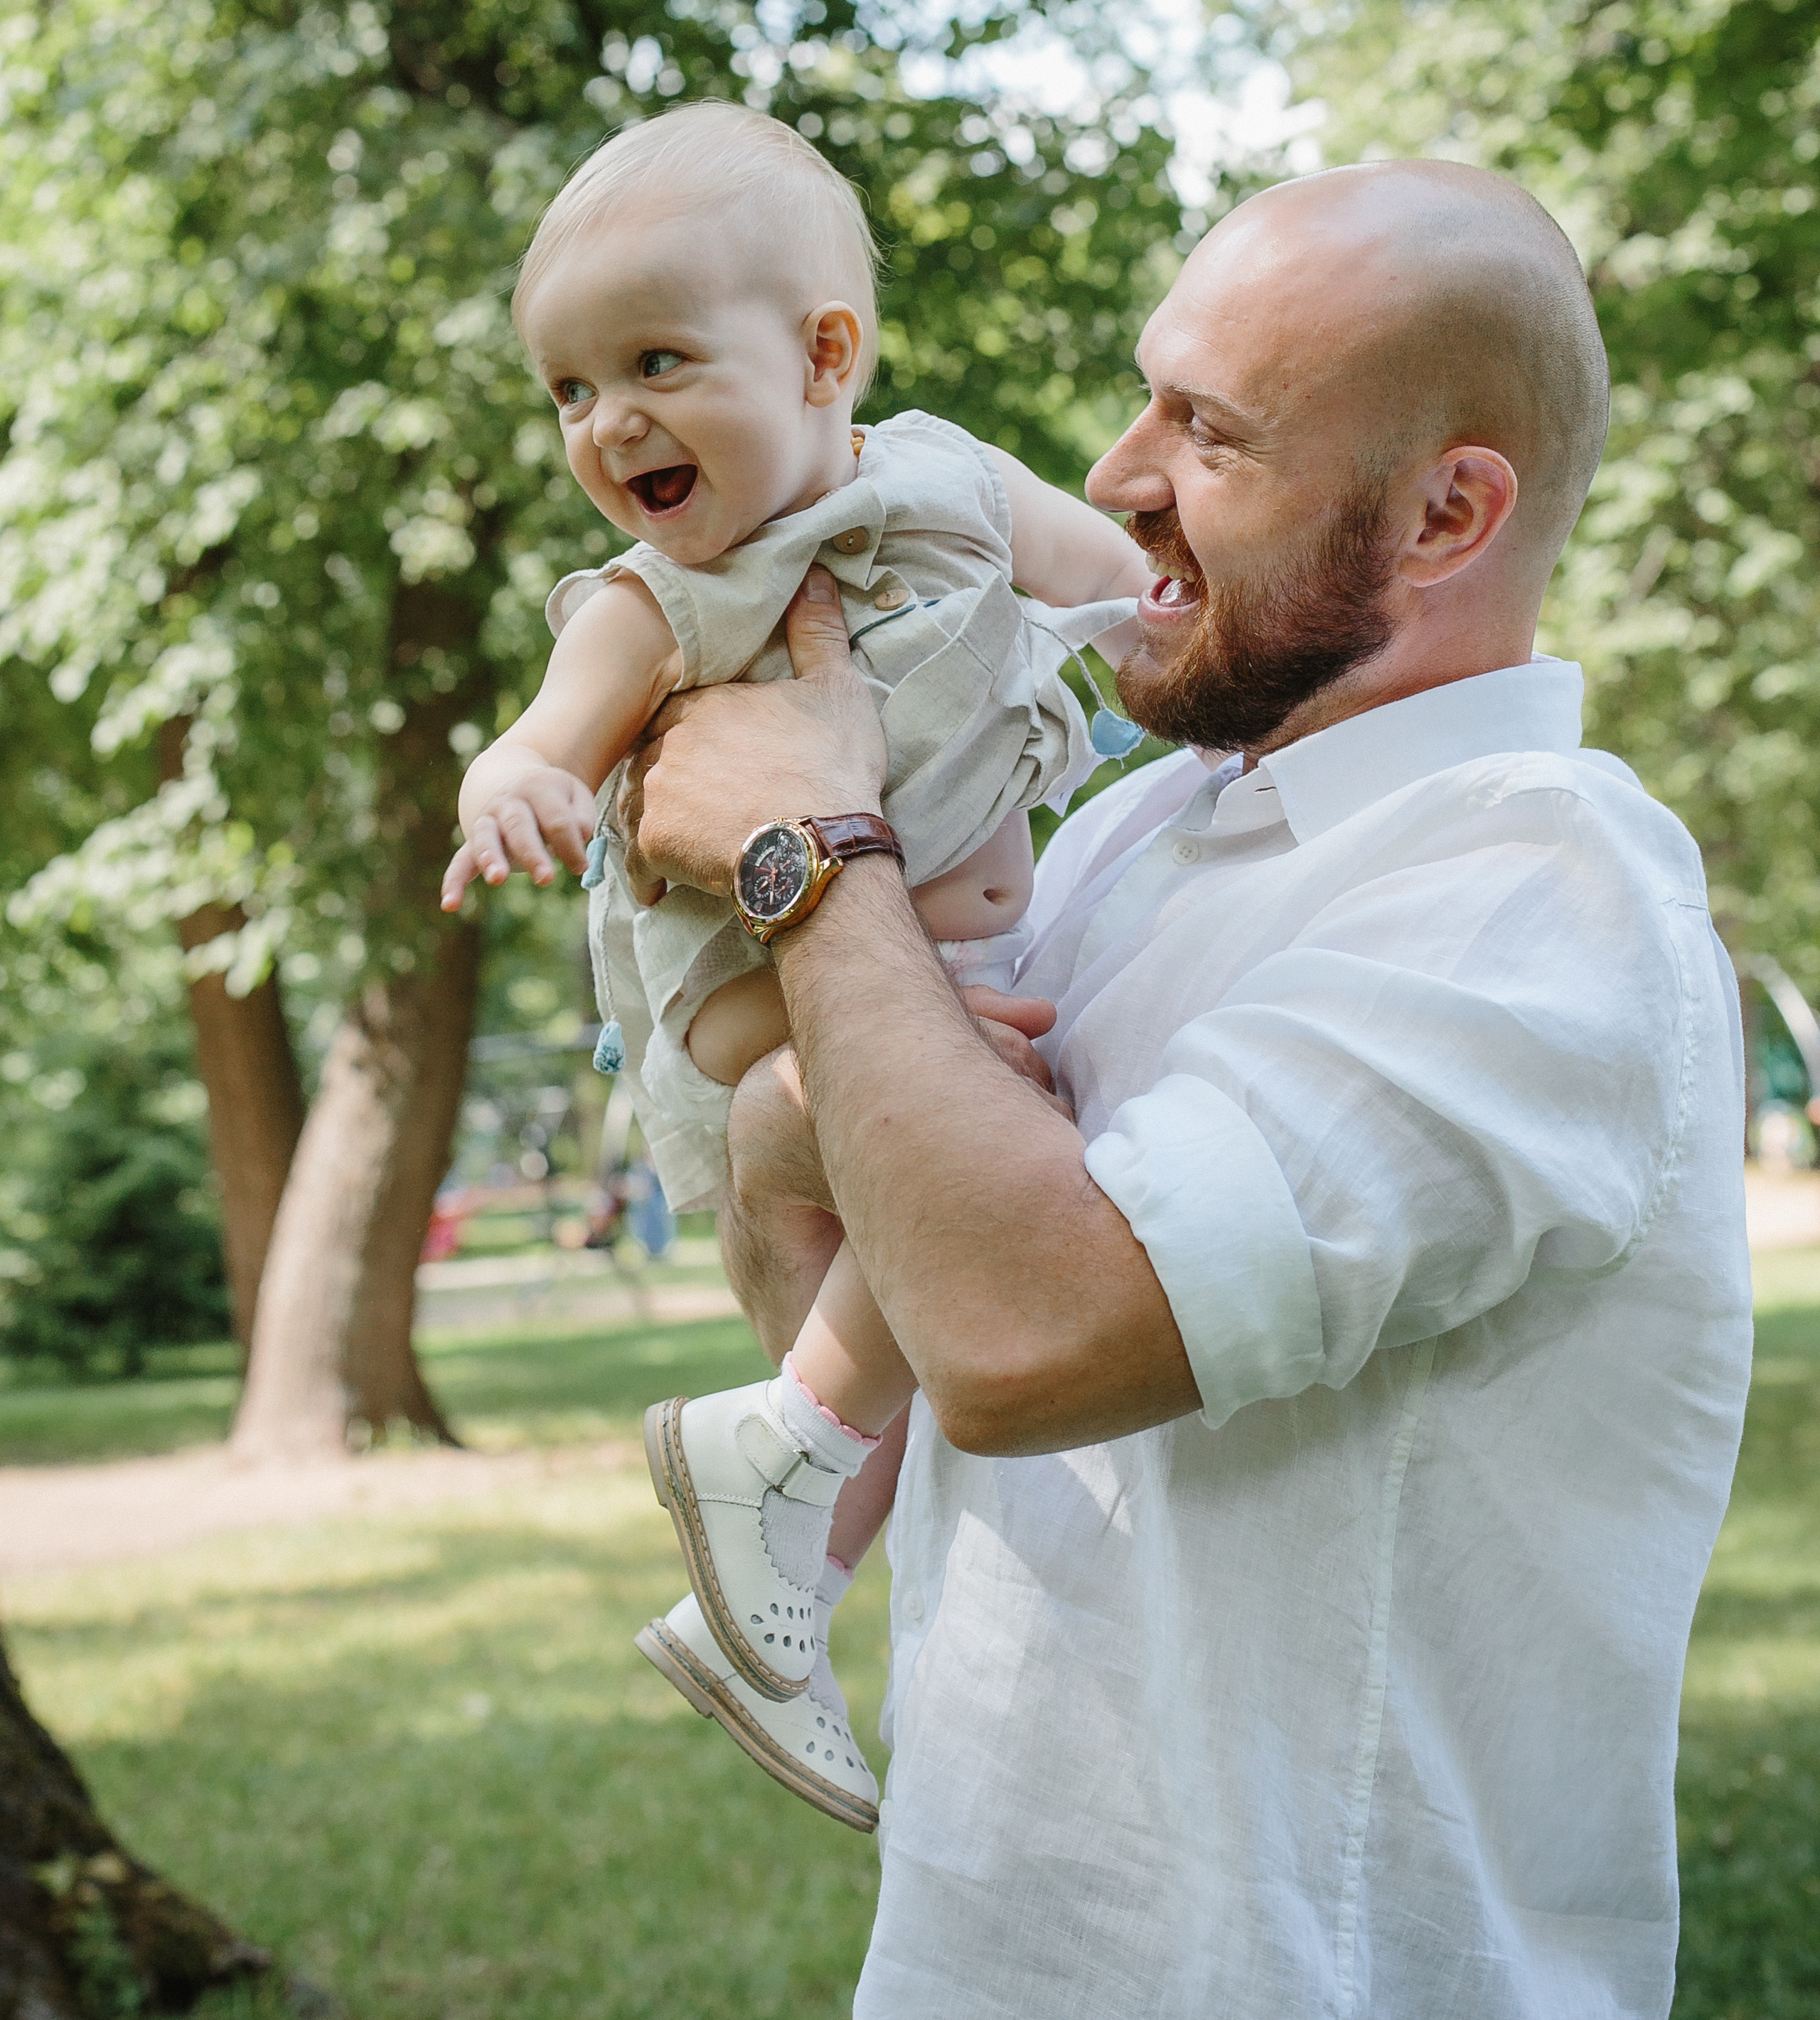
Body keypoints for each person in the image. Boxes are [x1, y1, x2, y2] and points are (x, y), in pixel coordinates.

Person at [616, 159, 1754, 2020]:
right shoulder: (1134, 830)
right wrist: (781, 1114)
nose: (1119, 470)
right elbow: (857, 1287)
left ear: (1449, 512)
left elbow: (1020, 1334)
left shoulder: (1537, 892)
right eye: (1148, 393)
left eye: (1207, 431)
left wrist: (809, 856)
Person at [439, 102, 1147, 1826]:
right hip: (757, 977)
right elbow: (531, 743)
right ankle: (778, 1462)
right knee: (979, 1099)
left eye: (656, 362)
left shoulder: (952, 482)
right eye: (569, 391)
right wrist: (521, 789)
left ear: (826, 354)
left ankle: (772, 1589)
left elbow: (1135, 597)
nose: (609, 423)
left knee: (962, 1174)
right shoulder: (654, 599)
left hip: (911, 960)